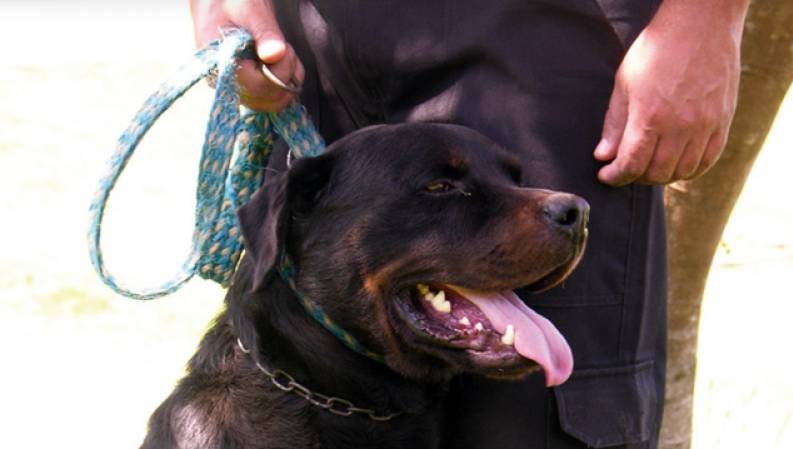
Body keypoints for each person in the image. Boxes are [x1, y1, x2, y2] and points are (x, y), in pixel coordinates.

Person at [189, 1, 749, 448]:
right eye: (442, 189)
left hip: (549, 33)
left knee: (540, 423)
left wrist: (706, 17)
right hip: (308, 36)